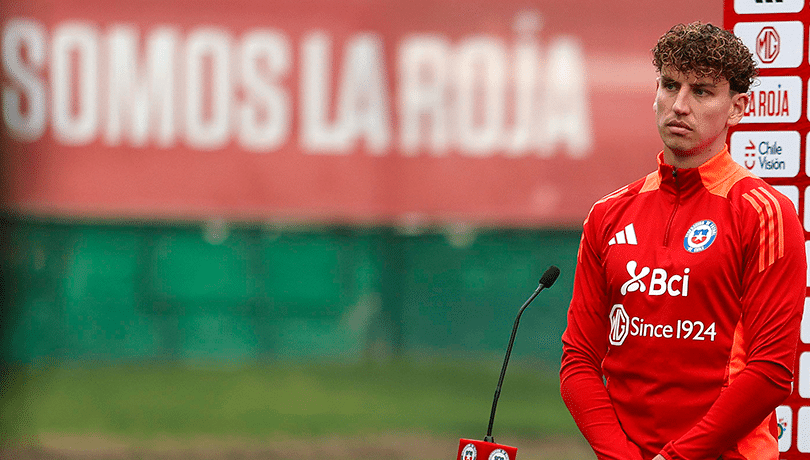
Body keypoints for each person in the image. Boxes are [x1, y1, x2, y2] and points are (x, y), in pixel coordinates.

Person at [559, 22, 806, 460]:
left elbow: (770, 372)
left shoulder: (764, 212)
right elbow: (578, 361)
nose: (679, 106)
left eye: (702, 92)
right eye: (670, 86)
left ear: (737, 108)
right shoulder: (607, 214)